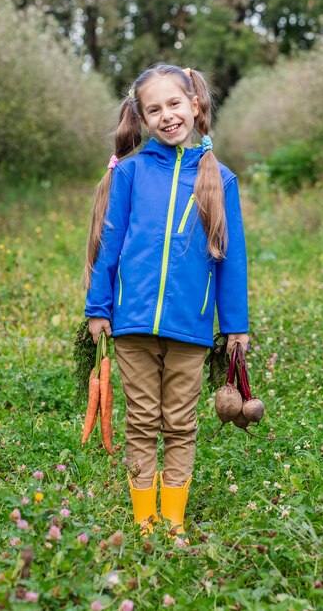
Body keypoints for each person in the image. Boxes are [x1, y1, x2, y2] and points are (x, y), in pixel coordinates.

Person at [83, 63, 249, 536]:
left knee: (178, 423)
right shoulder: (132, 173)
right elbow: (109, 243)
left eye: (175, 104)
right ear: (141, 117)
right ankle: (143, 521)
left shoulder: (221, 179)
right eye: (153, 109)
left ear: (195, 105)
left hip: (190, 327)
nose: (167, 115)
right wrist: (98, 307)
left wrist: (234, 326)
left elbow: (230, 261)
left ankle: (172, 520)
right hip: (132, 324)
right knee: (141, 421)